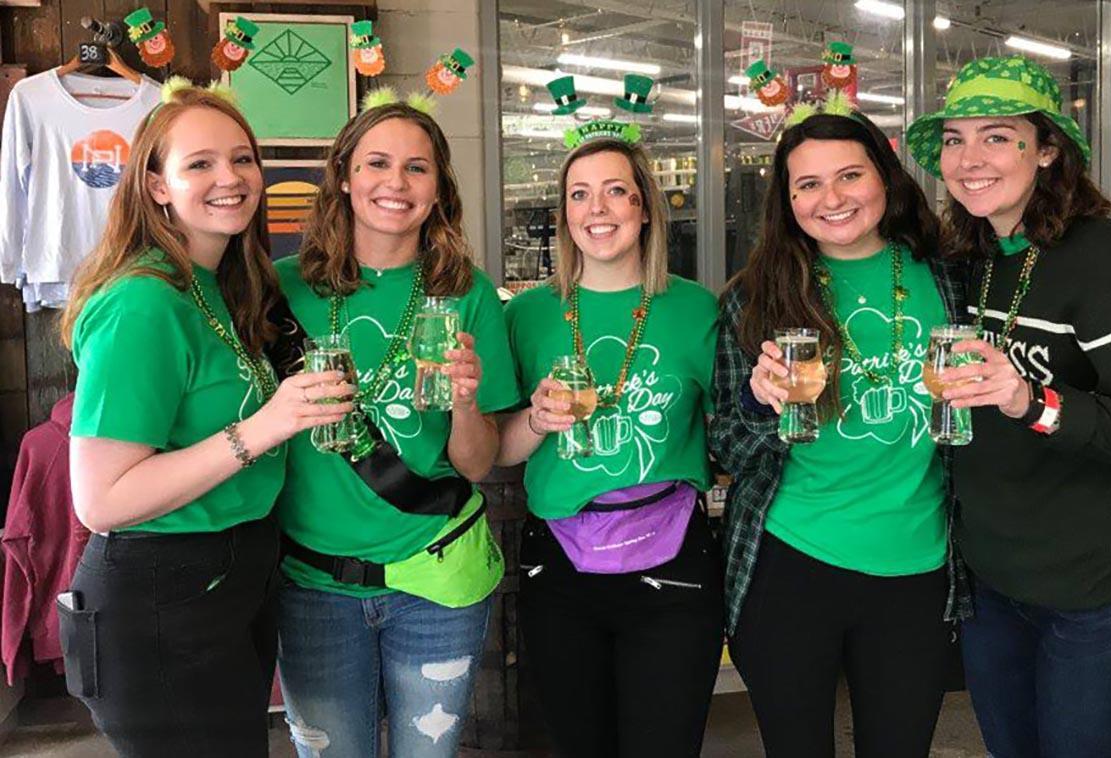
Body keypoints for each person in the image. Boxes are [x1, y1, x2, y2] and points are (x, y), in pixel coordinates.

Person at [906, 55, 1111, 758]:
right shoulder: (970, 260)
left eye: (997, 136)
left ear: (1048, 150)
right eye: (954, 139)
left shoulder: (1110, 264)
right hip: (995, 589)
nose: (969, 158)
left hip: (1103, 600)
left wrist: (1031, 400)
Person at [58, 80, 353, 756]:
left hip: (229, 584)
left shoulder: (220, 289)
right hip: (159, 598)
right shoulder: (143, 303)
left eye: (242, 158)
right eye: (200, 164)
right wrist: (264, 427)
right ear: (157, 186)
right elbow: (102, 500)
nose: (231, 178)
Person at [710, 105, 966, 758]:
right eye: (808, 184)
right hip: (790, 563)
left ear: (885, 176)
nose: (833, 198)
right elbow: (727, 446)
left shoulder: (950, 275)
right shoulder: (754, 297)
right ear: (787, 200)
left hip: (917, 562)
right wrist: (761, 401)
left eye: (849, 175)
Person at [270, 91, 520, 758]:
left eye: (418, 168)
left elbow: (476, 464)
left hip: (435, 580)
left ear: (439, 189)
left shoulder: (466, 292)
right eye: (377, 163)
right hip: (312, 585)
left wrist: (466, 399)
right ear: (345, 176)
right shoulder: (279, 289)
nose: (396, 183)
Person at [497, 137, 724, 758]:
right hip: (559, 566)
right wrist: (538, 421)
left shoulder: (697, 309)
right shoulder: (527, 316)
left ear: (645, 205)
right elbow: (500, 450)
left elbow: (732, 429)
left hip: (673, 559)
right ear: (565, 214)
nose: (597, 208)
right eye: (579, 194)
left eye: (614, 190)